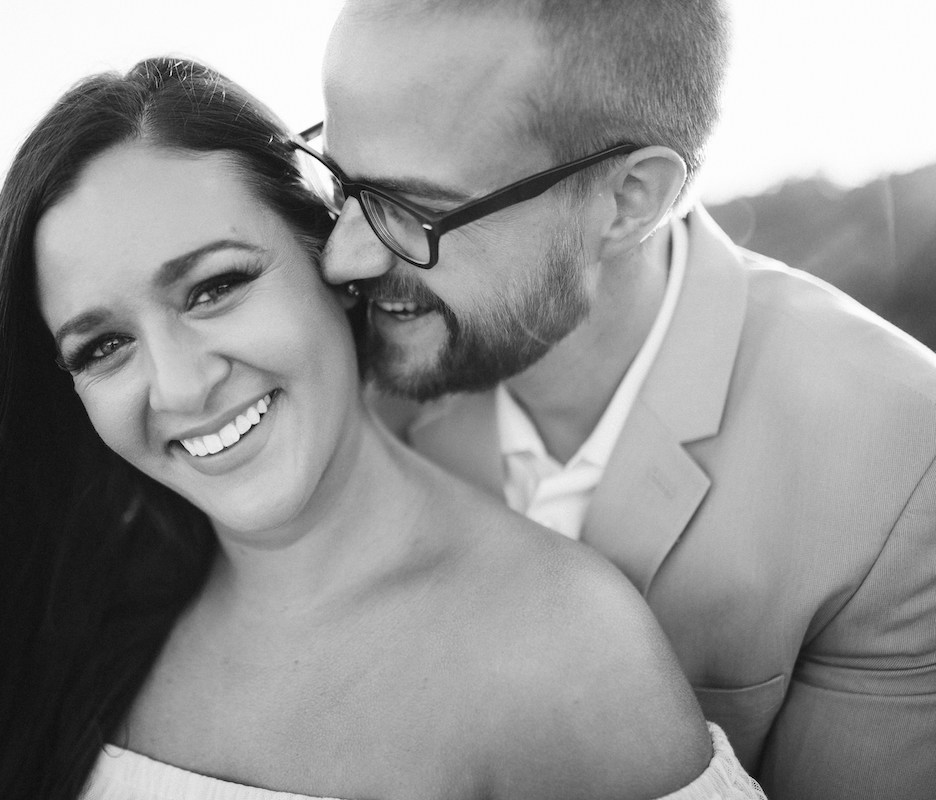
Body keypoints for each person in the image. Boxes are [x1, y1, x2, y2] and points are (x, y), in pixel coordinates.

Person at [0, 57, 768, 800]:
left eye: (214, 287)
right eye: (105, 345)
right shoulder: (86, 601)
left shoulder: (567, 649)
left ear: (331, 258)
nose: (182, 387)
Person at [306, 1, 936, 798]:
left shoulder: (900, 462)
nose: (341, 259)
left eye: (416, 209)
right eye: (339, 180)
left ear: (630, 200)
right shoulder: (337, 374)